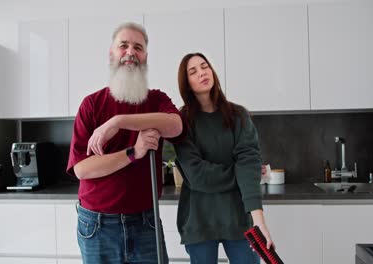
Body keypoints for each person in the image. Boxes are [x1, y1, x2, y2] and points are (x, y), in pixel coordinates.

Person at [66, 22, 184, 264]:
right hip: (97, 226)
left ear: (145, 57)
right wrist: (134, 151)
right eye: (124, 45)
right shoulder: (91, 104)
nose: (131, 52)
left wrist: (118, 121)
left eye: (138, 47)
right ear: (112, 53)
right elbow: (82, 168)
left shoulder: (157, 100)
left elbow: (175, 125)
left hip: (146, 222)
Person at [173, 52, 274, 264]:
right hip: (198, 220)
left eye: (204, 66)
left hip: (238, 219)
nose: (202, 73)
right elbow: (197, 175)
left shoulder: (238, 115)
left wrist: (259, 222)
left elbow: (249, 162)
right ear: (187, 83)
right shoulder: (181, 122)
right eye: (193, 71)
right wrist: (241, 173)